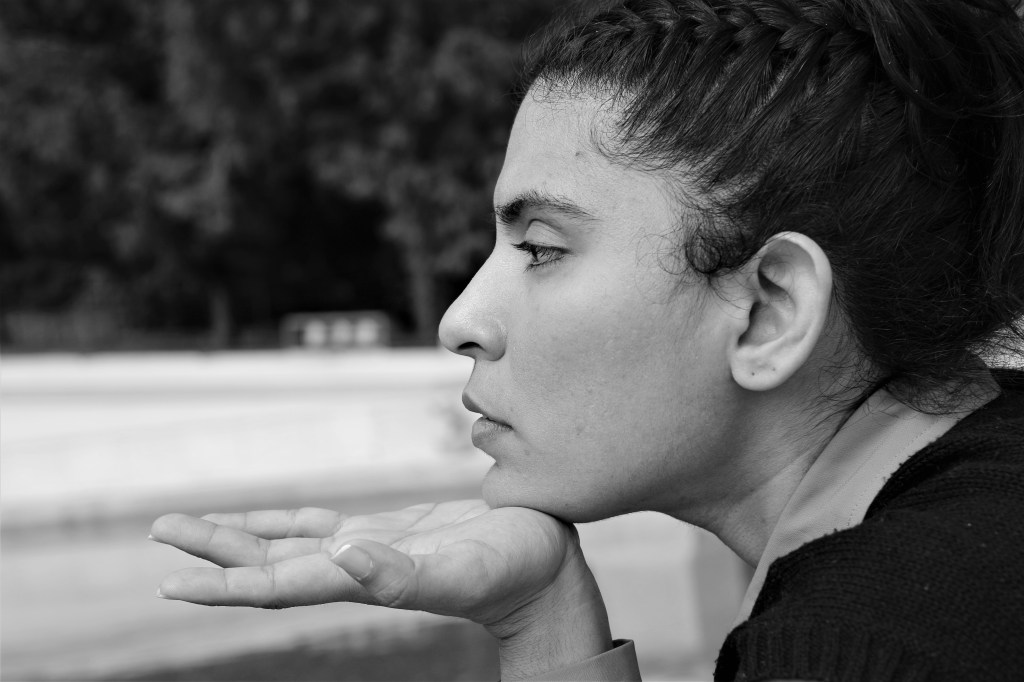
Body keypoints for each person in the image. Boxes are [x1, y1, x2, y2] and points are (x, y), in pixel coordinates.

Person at [150, 0, 1024, 679]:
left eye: (541, 249)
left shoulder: (862, 647)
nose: (461, 321)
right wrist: (543, 620)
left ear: (769, 311)